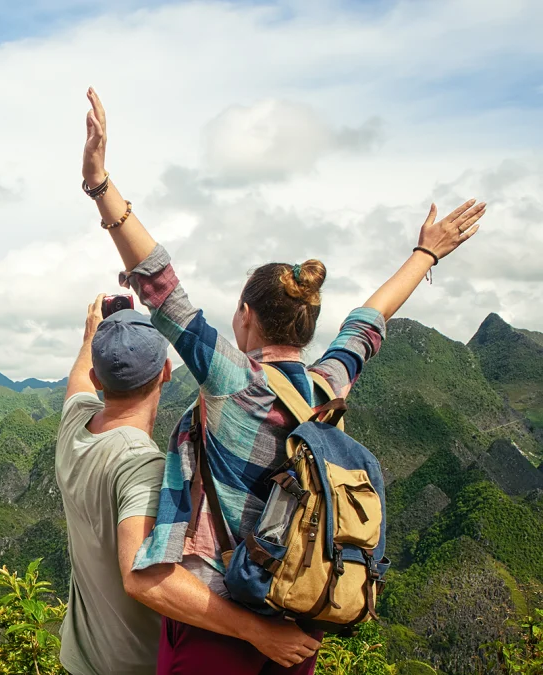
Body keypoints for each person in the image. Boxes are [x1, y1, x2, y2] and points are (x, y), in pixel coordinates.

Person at [78, 87, 486, 674]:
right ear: (307, 325)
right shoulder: (329, 387)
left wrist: (99, 184)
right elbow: (368, 323)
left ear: (245, 315)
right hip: (295, 625)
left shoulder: (232, 380)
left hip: (215, 621)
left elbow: (159, 284)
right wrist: (427, 252)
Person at [56, 297, 323, 675]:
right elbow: (142, 577)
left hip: (79, 658)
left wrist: (91, 337)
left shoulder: (74, 427)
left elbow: (78, 380)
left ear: (99, 380)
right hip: (137, 665)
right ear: (166, 371)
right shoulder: (143, 466)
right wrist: (257, 631)